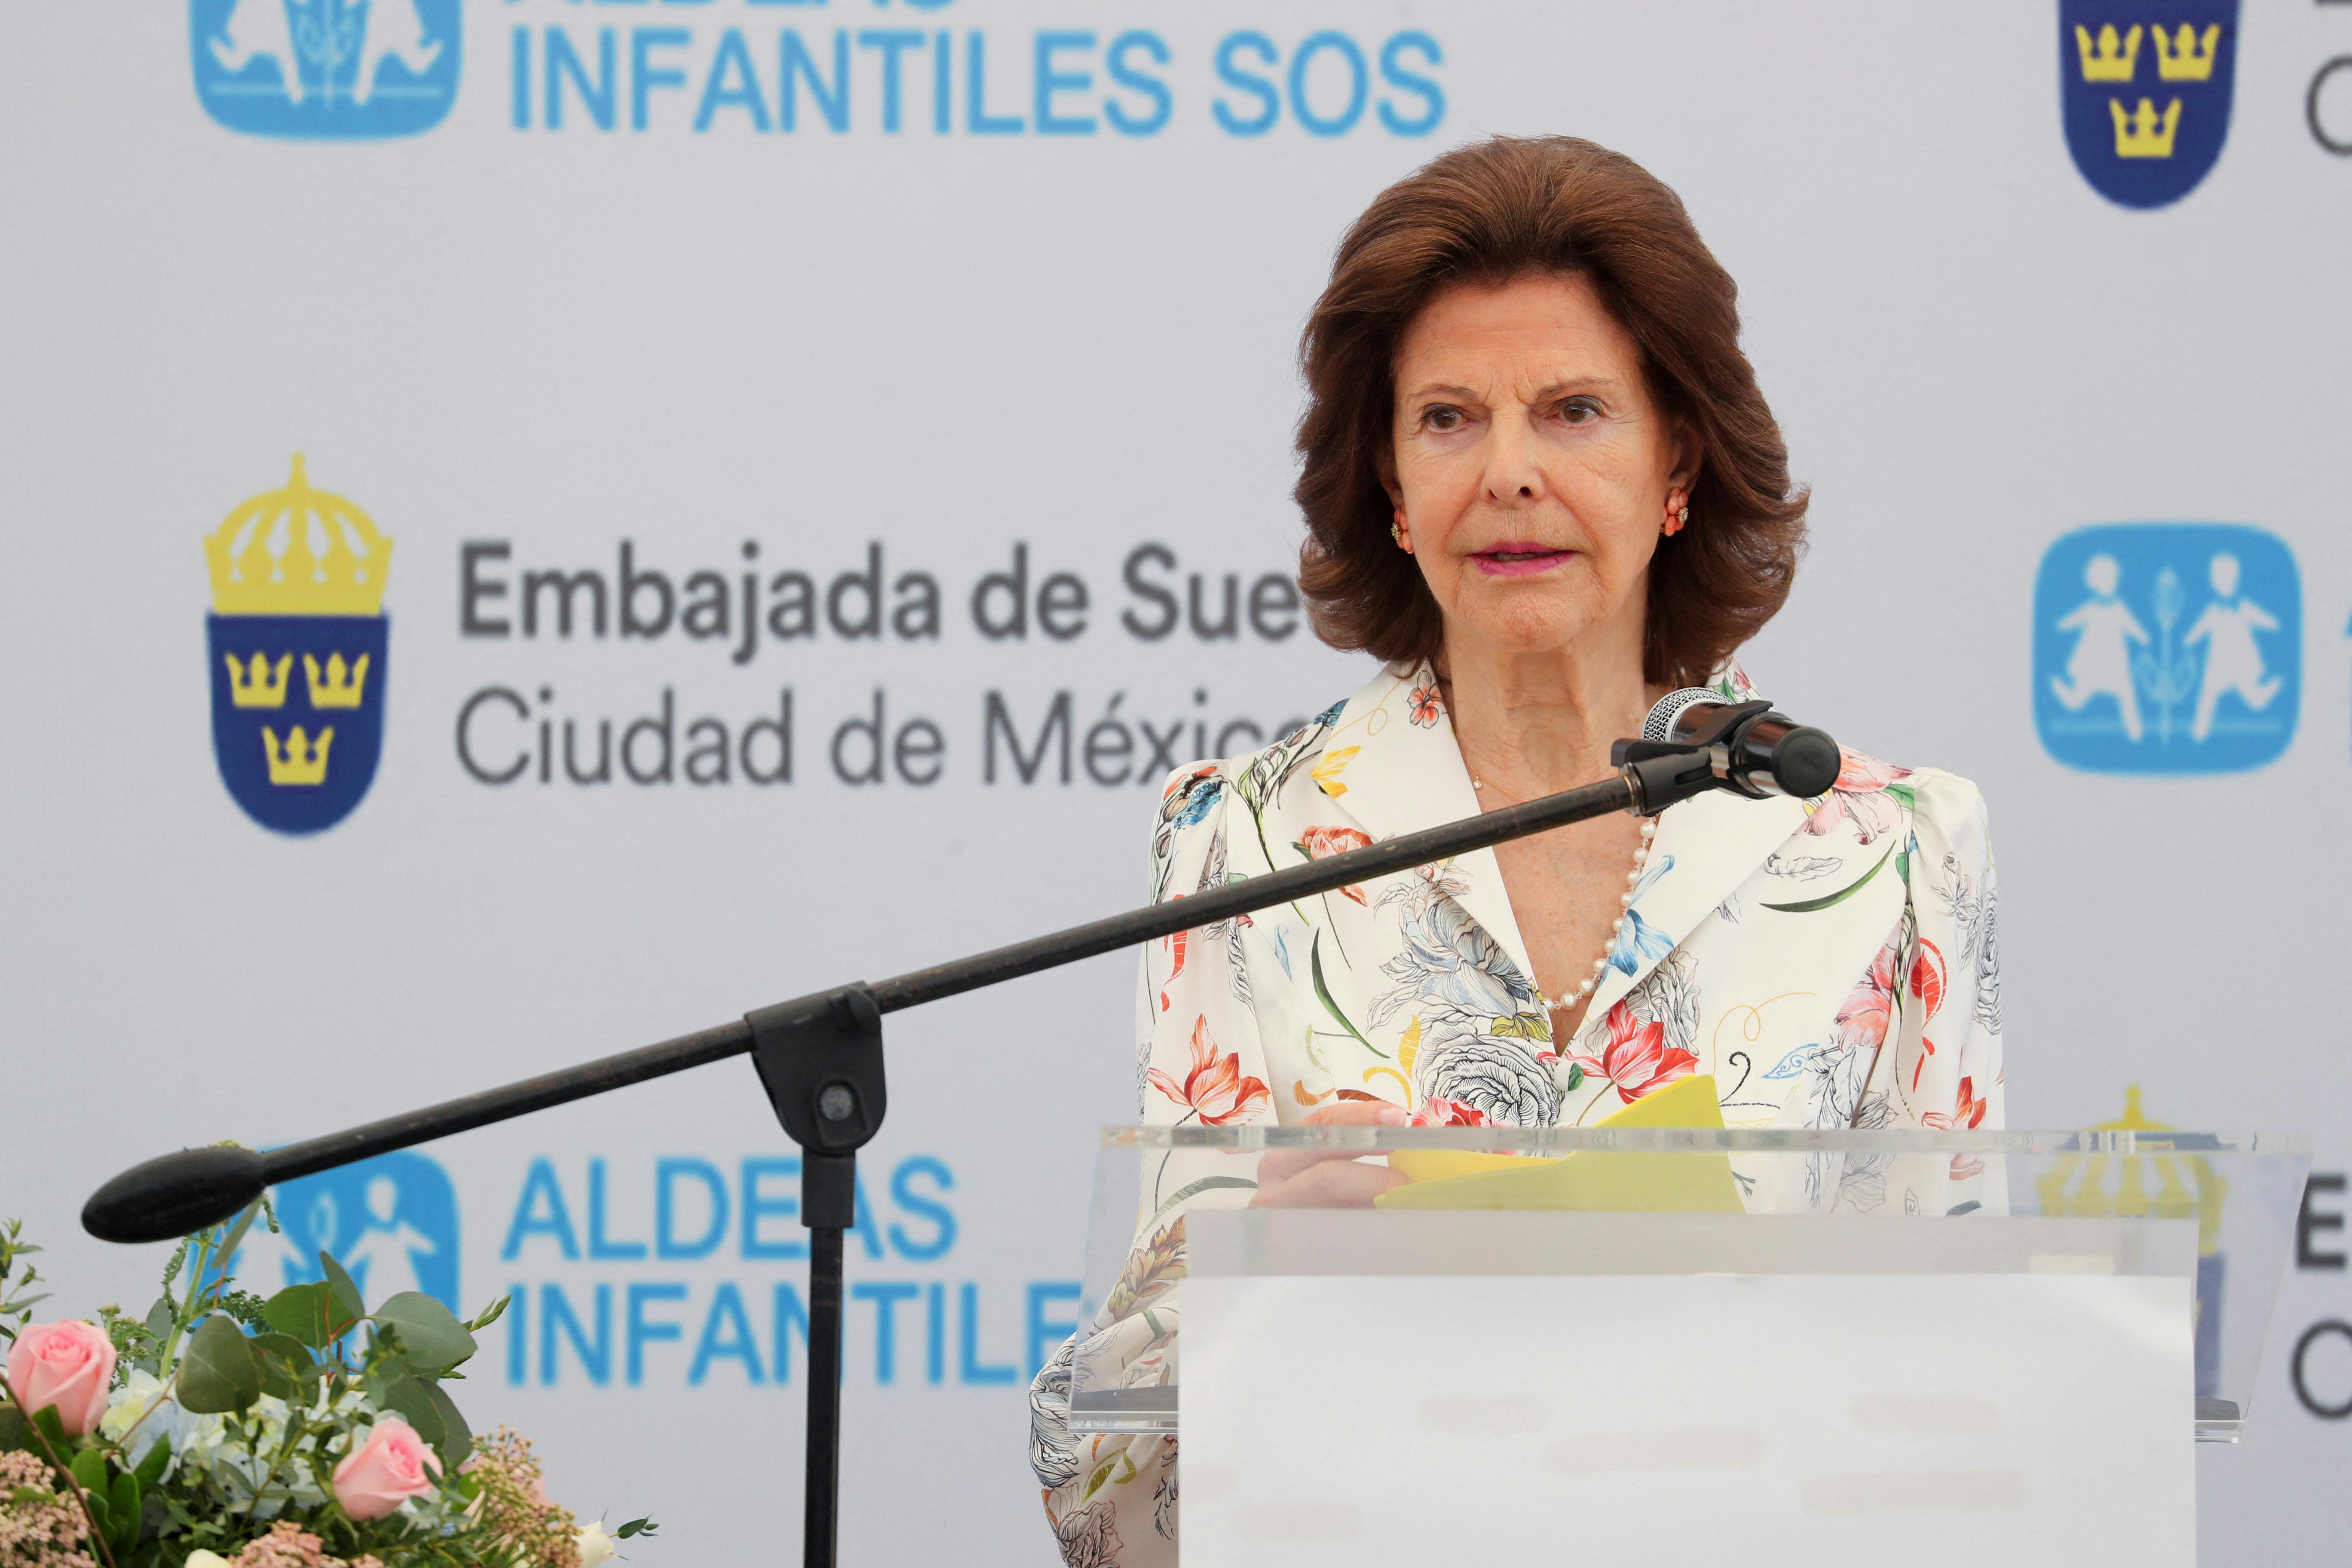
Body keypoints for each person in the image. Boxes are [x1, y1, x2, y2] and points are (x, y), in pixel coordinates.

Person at [1028, 135, 2003, 1567]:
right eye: (1447, 419)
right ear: (1391, 480)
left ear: (1678, 462)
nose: (1510, 474)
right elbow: (1109, 1506)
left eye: (1574, 411)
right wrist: (1237, 1302)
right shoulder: (1241, 840)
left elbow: (1980, 1412)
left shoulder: (1888, 845)